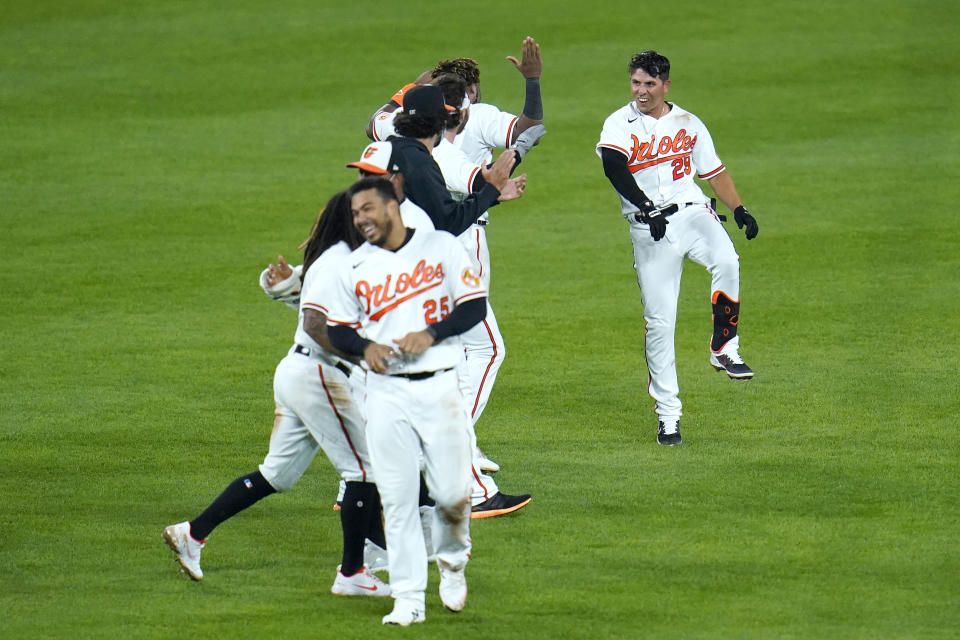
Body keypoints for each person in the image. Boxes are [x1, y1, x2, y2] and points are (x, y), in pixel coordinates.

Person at [162, 190, 390, 597]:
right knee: (365, 470)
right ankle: (353, 573)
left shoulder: (346, 261)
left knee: (277, 475)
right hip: (318, 374)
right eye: (366, 212)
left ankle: (191, 533)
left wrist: (286, 285)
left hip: (300, 372)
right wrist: (365, 356)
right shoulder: (337, 261)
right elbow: (317, 325)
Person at [323, 177, 486, 626]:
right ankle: (409, 599)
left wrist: (431, 333)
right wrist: (363, 349)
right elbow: (337, 329)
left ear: (392, 206)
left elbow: (474, 306)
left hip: (439, 385)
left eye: (368, 209)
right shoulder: (354, 268)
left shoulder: (441, 248)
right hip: (385, 393)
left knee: (453, 496)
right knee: (396, 499)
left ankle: (452, 561)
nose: (361, 220)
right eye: (356, 214)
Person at [596, 50, 760, 446]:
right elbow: (614, 168)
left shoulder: (688, 122)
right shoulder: (619, 123)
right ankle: (669, 416)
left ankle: (725, 344)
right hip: (648, 228)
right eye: (636, 83)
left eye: (650, 84)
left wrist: (739, 208)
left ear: (666, 85)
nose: (641, 91)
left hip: (692, 212)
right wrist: (645, 206)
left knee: (727, 259)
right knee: (660, 323)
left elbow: (713, 171)